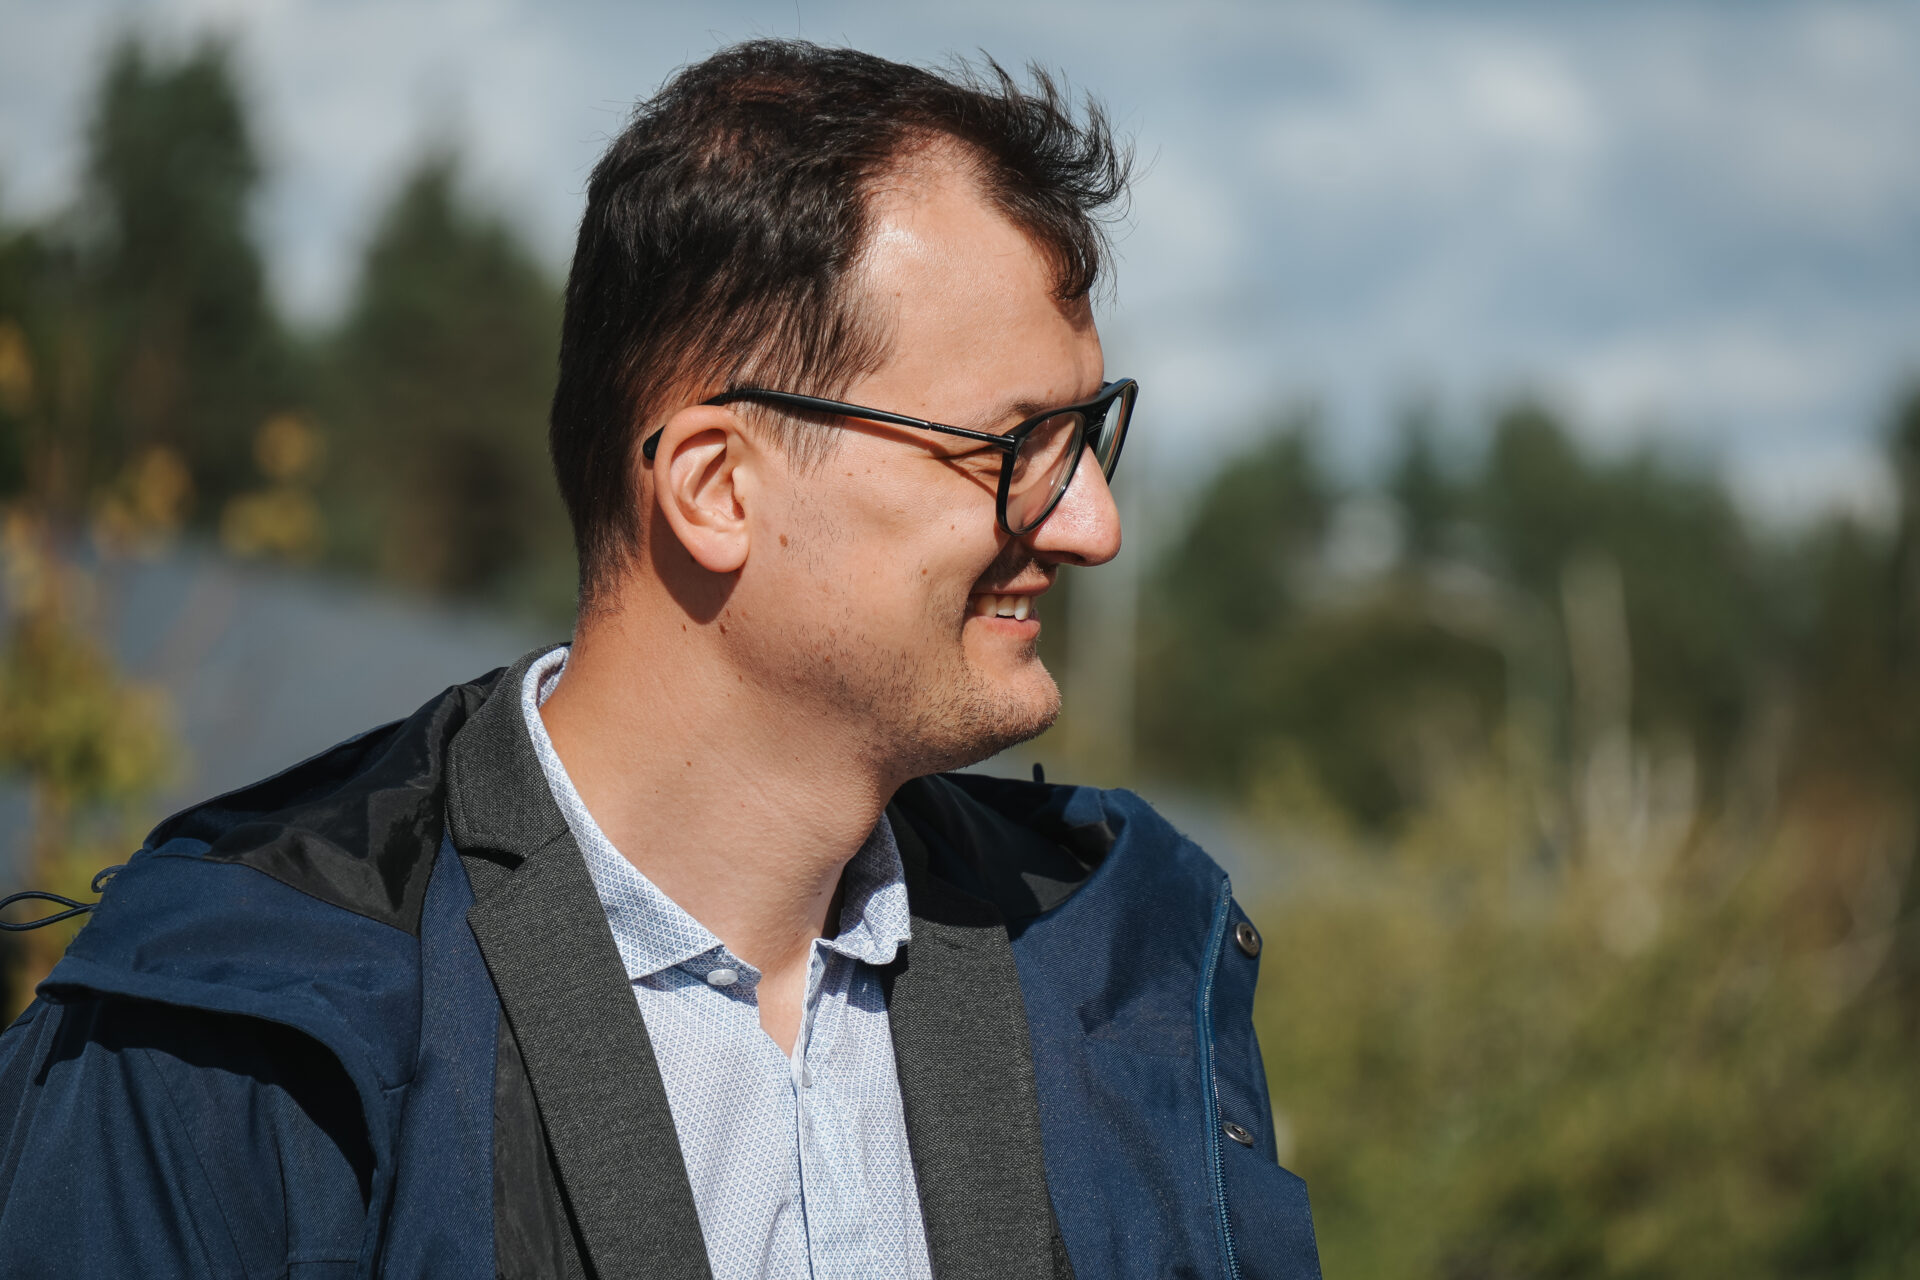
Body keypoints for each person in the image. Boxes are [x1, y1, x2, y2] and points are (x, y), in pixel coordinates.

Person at [0, 40, 1320, 1280]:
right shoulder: (238, 1032)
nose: (1093, 524)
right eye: (1017, 446)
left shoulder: (1124, 970)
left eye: (1091, 434)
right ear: (715, 488)